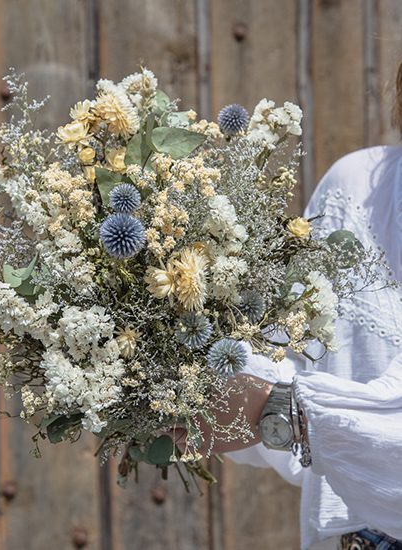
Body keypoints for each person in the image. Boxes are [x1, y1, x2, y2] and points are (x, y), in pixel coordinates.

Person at [182, 67, 402, 550]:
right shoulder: (358, 189)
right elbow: (289, 362)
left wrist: (279, 412)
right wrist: (166, 361)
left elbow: (283, 405)